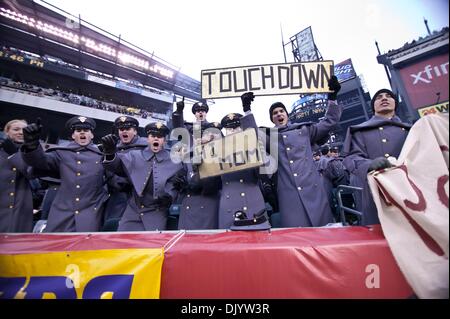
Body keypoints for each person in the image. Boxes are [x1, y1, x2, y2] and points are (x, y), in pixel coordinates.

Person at [240, 76, 343, 227]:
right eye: (275, 113)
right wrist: (247, 110)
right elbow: (252, 137)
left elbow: (329, 122)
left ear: (287, 115)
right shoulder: (271, 137)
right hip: (288, 193)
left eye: (281, 111)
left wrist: (332, 97)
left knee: (323, 231)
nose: (279, 114)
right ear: (272, 119)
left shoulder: (305, 129)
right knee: (296, 235)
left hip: (313, 190)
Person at [21, 116, 110, 232]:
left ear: (92, 135)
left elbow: (114, 177)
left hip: (92, 211)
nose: (82, 132)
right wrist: (32, 145)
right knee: (56, 245)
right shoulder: (61, 153)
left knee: (85, 247)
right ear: (73, 136)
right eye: (78, 131)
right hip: (63, 210)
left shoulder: (102, 156)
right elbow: (40, 161)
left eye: (86, 130)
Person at [342, 88, 412, 225]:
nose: (384, 98)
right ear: (373, 106)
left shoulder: (411, 129)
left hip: (410, 190)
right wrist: (369, 165)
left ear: (395, 104)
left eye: (388, 96)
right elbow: (350, 158)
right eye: (379, 97)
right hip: (377, 192)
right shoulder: (360, 130)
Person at [101, 122, 184, 231]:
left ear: (164, 140)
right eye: (153, 136)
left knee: (153, 245)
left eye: (159, 137)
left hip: (156, 212)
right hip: (133, 210)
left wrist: (170, 197)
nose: (156, 139)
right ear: (147, 139)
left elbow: (174, 185)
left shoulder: (174, 161)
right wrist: (110, 153)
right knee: (123, 242)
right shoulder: (134, 156)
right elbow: (117, 166)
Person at [217, 111, 271, 230]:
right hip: (230, 205)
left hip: (253, 202)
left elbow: (266, 172)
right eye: (229, 129)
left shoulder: (254, 148)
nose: (233, 131)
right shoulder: (217, 153)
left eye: (236, 127)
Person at [102, 116, 147, 229]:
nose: (124, 131)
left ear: (135, 131)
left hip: (138, 198)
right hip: (116, 198)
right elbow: (105, 170)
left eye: (128, 129)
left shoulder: (146, 147)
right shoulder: (112, 147)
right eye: (121, 129)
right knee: (112, 228)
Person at [176, 121, 222, 230]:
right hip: (189, 205)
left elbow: (212, 184)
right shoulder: (189, 156)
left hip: (208, 207)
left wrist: (195, 180)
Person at [0, 119, 35, 232]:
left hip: (20, 205)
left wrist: (14, 153)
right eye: (16, 129)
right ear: (6, 132)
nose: (21, 132)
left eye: (24, 130)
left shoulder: (31, 153)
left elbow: (30, 172)